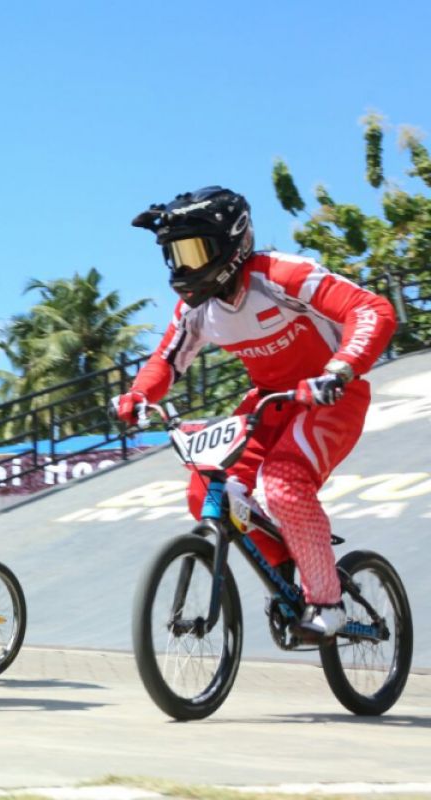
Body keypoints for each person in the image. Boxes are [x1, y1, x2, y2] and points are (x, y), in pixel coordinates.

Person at [114, 186, 396, 637]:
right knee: (206, 489)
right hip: (269, 401)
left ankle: (327, 601)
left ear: (234, 243)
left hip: (330, 397)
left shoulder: (282, 275)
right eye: (175, 255)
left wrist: (340, 370)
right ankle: (285, 577)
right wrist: (138, 396)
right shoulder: (196, 309)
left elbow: (371, 309)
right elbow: (166, 361)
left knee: (283, 486)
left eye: (194, 251)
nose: (185, 267)